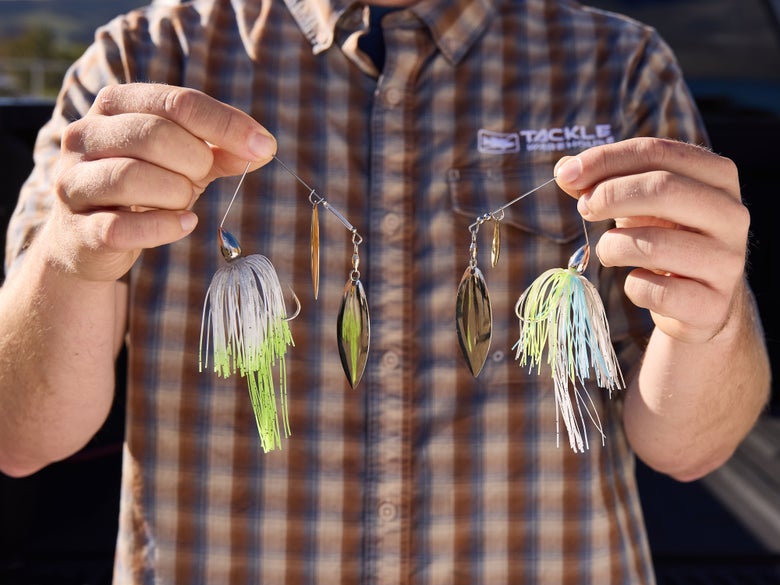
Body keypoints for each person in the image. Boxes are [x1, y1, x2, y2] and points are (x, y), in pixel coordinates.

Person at [0, 0, 770, 582]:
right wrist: (71, 257)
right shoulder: (134, 58)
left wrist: (708, 320)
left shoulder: (624, 64)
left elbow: (694, 445)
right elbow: (19, 436)